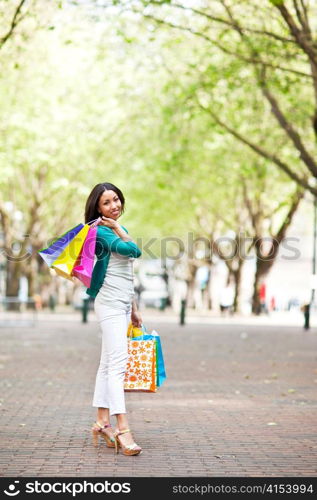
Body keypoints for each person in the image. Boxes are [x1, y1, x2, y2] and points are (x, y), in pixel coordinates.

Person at [84, 182, 143, 456]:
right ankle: (122, 427)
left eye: (117, 199)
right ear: (97, 207)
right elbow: (134, 251)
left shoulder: (119, 230)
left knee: (107, 364)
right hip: (108, 304)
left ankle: (101, 421)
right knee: (117, 366)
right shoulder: (100, 233)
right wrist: (118, 229)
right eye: (107, 202)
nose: (114, 206)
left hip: (121, 304)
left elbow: (125, 272)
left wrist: (133, 308)